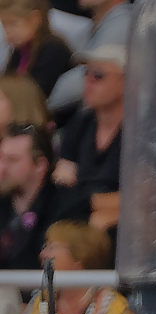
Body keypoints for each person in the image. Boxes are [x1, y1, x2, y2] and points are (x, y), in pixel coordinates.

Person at [29, 218, 128, 314]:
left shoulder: (116, 308)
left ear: (80, 254)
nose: (43, 254)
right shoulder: (41, 301)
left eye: (52, 247)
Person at [53, 40, 123, 228]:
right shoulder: (81, 122)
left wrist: (85, 201)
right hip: (80, 218)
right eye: (86, 73)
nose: (88, 81)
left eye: (98, 75)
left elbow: (143, 200)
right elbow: (62, 182)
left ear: (126, 81)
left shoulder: (139, 134)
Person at [0, 123, 84, 270]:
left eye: (12, 160)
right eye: (1, 158)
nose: (2, 168)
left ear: (40, 165)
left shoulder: (68, 207)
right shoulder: (3, 202)